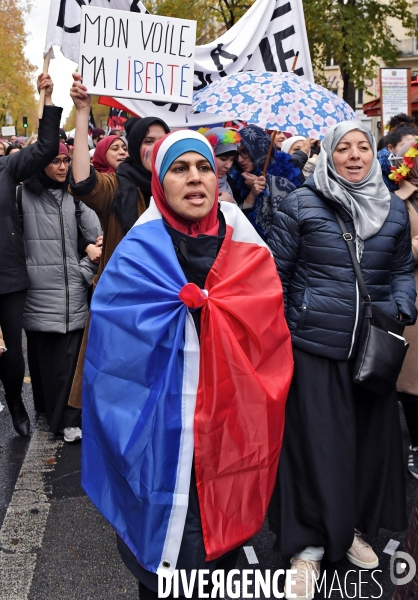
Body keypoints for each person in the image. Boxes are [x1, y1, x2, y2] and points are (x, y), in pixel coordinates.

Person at [81, 129, 294, 599]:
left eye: (202, 167)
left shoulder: (246, 245)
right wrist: (177, 316)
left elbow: (269, 332)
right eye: (179, 169)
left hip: (227, 431)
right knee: (165, 560)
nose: (195, 178)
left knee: (221, 555)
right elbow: (114, 355)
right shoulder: (137, 253)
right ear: (160, 181)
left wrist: (217, 310)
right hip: (160, 437)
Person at [267, 121, 417, 600]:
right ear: (329, 155)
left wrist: (401, 308)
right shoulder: (301, 204)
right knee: (314, 448)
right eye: (344, 149)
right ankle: (305, 547)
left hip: (371, 350)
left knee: (362, 446)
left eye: (364, 148)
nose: (355, 156)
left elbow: (401, 271)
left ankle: (347, 528)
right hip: (314, 348)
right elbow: (278, 273)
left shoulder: (393, 210)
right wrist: (293, 327)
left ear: (375, 155)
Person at [67, 72, 170, 409]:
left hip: (168, 314)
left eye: (163, 140)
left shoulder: (184, 190)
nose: (156, 147)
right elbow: (82, 182)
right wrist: (83, 113)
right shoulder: (118, 187)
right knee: (118, 405)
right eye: (149, 140)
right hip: (122, 314)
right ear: (137, 144)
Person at [21, 142, 101, 442]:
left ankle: (67, 421)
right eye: (55, 161)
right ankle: (49, 413)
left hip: (71, 297)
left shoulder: (77, 198)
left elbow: (99, 240)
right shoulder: (20, 195)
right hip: (37, 295)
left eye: (66, 160)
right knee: (45, 361)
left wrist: (81, 270)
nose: (63, 167)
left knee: (69, 364)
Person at [0, 73, 62, 437]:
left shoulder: (7, 168)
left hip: (7, 277)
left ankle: (17, 406)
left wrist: (48, 97)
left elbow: (46, 148)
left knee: (10, 354)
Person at [391, 138, 418, 479]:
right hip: (412, 299)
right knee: (412, 385)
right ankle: (415, 444)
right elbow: (390, 249)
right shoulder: (397, 200)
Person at [230, 125, 301, 240]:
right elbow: (238, 220)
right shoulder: (238, 179)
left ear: (258, 149)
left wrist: (268, 183)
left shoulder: (288, 169)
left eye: (245, 151)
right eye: (236, 154)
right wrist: (252, 194)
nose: (240, 160)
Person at [199, 126, 241, 203]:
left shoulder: (228, 180)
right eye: (223, 159)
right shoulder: (195, 182)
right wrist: (219, 203)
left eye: (232, 160)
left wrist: (252, 195)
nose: (228, 165)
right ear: (209, 156)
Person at [377, 125, 416, 192]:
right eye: (404, 146)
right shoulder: (377, 171)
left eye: (414, 147)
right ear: (391, 148)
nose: (410, 150)